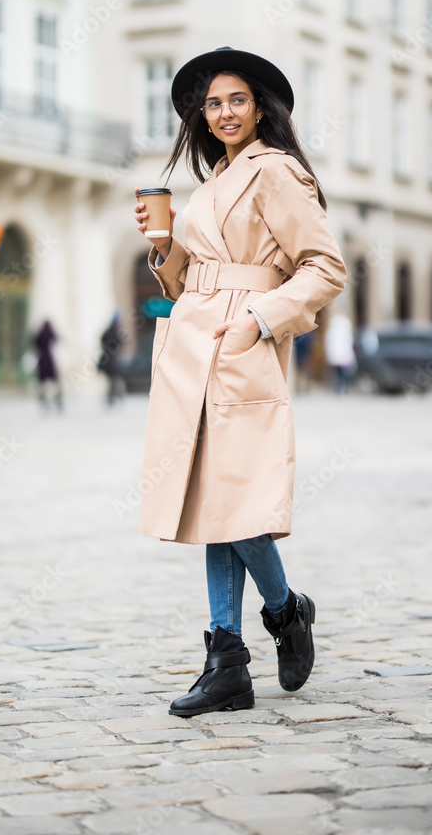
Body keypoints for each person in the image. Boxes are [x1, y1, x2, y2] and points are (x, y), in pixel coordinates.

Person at [134, 47, 346, 717]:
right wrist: (165, 248)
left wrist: (258, 318)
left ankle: (283, 613)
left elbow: (323, 267)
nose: (224, 112)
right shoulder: (211, 183)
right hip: (193, 340)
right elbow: (186, 280)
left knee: (237, 500)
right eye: (213, 103)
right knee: (209, 502)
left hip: (238, 342)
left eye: (236, 100)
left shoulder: (276, 172)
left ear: (259, 108)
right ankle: (227, 660)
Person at [97, 312, 126, 405]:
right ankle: (116, 397)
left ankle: (114, 397)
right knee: (116, 380)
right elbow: (121, 342)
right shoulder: (115, 331)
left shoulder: (109, 331)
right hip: (112, 360)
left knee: (113, 380)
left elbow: (102, 341)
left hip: (108, 359)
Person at [34, 320, 63, 412]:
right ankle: (57, 401)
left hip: (42, 360)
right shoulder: (51, 333)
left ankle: (44, 401)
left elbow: (35, 344)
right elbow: (57, 339)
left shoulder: (40, 334)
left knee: (42, 384)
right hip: (50, 361)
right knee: (55, 383)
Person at [325, 313, 356, 394]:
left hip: (338, 357)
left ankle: (339, 389)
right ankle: (343, 389)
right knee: (343, 374)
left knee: (339, 374)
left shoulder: (331, 332)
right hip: (343, 357)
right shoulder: (344, 333)